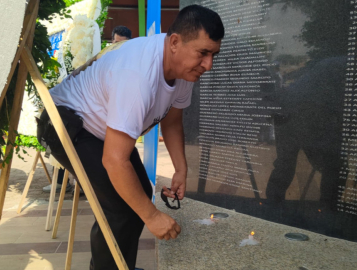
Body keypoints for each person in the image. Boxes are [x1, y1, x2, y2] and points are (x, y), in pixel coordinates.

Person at [37, 5, 224, 270]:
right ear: (174, 42)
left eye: (214, 54)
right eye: (203, 53)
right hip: (63, 123)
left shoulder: (184, 67)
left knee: (141, 193)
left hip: (98, 126)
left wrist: (181, 169)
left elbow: (172, 122)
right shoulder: (137, 75)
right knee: (123, 207)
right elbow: (114, 161)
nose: (209, 65)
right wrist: (152, 217)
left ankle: (119, 264)